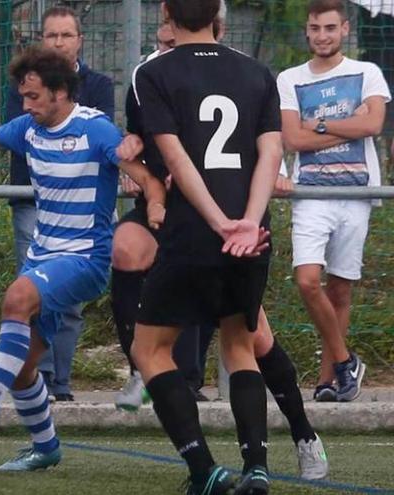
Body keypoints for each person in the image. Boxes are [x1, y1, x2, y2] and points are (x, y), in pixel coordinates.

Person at [0, 46, 166, 471]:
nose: (27, 104)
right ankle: (46, 447)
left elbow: (146, 177)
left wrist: (157, 205)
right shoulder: (27, 129)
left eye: (34, 96)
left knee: (16, 298)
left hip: (86, 258)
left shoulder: (96, 130)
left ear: (59, 93)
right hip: (44, 257)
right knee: (22, 366)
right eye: (23, 97)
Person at [131, 0, 282, 492]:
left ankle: (204, 471)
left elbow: (175, 155)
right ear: (218, 12)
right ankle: (256, 468)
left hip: (194, 231)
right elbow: (271, 153)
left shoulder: (152, 73)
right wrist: (247, 223)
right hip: (251, 233)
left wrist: (219, 223)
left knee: (150, 349)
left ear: (166, 12)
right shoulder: (258, 72)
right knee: (239, 344)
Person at [277, 0, 389, 403]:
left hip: (356, 193)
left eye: (329, 28)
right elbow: (293, 139)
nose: (321, 35)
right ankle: (346, 361)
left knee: (340, 290)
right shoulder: (289, 79)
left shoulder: (367, 72)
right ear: (307, 31)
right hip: (310, 192)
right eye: (314, 28)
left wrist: (320, 124)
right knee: (307, 280)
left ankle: (329, 381)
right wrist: (348, 127)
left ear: (344, 29)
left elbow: (373, 124)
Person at [5, 6, 114, 403]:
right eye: (51, 36)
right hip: (36, 199)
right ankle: (34, 377)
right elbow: (14, 133)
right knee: (28, 296)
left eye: (66, 35)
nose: (58, 42)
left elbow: (110, 144)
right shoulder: (26, 89)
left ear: (79, 40)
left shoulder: (98, 86)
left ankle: (58, 382)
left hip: (85, 207)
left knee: (64, 301)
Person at [113, 19, 216, 411]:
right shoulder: (145, 76)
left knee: (244, 326)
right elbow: (137, 135)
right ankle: (142, 366)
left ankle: (187, 377)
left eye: (176, 24)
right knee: (124, 248)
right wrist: (134, 152)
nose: (168, 33)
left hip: (214, 205)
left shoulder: (228, 70)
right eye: (163, 23)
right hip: (157, 202)